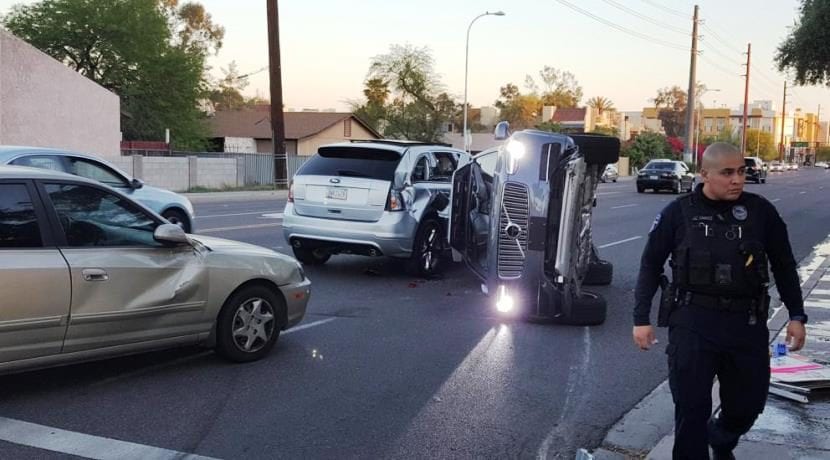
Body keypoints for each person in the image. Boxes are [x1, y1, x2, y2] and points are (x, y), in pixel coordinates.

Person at [632, 143, 808, 459]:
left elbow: (783, 264)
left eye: (741, 171)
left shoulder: (760, 211)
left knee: (748, 405)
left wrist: (796, 314)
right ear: (705, 174)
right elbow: (650, 264)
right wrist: (640, 318)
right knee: (691, 410)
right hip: (692, 322)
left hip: (745, 324)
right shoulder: (678, 212)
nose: (737, 179)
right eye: (727, 173)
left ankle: (722, 436)